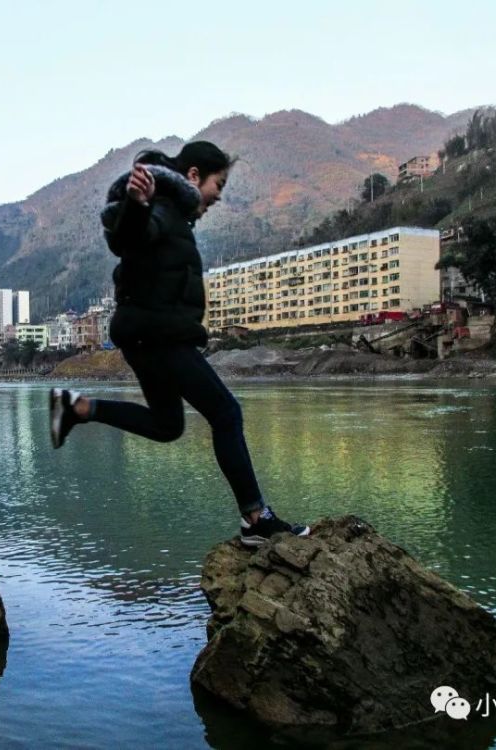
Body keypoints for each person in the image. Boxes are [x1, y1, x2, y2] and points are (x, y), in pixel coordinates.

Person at [49, 141, 309, 546]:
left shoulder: (173, 214)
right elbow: (129, 239)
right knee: (226, 413)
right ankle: (256, 519)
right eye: (218, 184)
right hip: (159, 335)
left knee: (168, 425)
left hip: (146, 333)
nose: (219, 196)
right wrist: (137, 204)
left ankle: (79, 407)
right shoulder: (163, 208)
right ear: (192, 176)